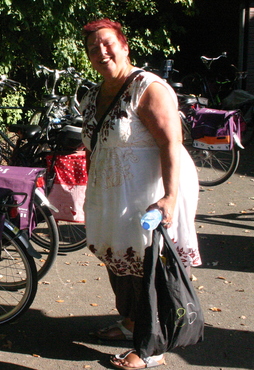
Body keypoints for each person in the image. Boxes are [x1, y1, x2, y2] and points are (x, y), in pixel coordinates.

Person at [79, 18, 202, 369]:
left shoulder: (148, 88)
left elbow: (171, 144)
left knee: (152, 268)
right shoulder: (92, 95)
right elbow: (94, 146)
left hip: (153, 192)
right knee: (120, 262)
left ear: (124, 44)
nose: (100, 52)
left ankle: (152, 347)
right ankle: (131, 321)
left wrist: (169, 198)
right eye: (92, 49)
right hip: (115, 196)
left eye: (107, 43)